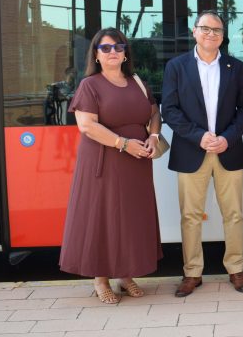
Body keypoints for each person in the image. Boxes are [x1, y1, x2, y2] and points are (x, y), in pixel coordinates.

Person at [59, 28, 162, 304]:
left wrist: (152, 136)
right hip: (103, 161)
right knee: (103, 217)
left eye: (118, 46)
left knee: (129, 218)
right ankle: (100, 278)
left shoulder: (137, 81)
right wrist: (123, 143)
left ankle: (125, 274)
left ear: (126, 52)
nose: (113, 51)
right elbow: (87, 126)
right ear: (97, 54)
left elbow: (154, 113)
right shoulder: (90, 85)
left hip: (137, 162)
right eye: (105, 48)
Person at [162, 10, 243, 296]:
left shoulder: (235, 67)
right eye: (205, 28)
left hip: (228, 150)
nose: (211, 34)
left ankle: (236, 269)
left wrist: (226, 138)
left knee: (234, 214)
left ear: (223, 36)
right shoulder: (176, 67)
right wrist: (199, 136)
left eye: (216, 30)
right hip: (192, 151)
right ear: (194, 31)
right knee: (190, 215)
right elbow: (170, 110)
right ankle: (192, 273)